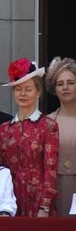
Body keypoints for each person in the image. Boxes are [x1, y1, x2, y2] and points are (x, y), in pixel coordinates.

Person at [0, 59, 59, 217]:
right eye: (18, 89)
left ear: (38, 92)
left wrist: (44, 206)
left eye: (28, 89)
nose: (22, 94)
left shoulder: (48, 126)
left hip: (38, 198)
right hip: (9, 197)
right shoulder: (3, 129)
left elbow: (51, 169)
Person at [46, 57, 76, 216]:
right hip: (55, 187)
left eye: (70, 82)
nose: (65, 87)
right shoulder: (48, 122)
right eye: (60, 83)